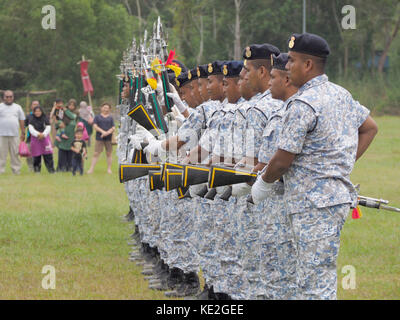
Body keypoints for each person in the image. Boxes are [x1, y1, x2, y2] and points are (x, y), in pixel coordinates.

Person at [251, 33, 378, 299]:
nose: (287, 66)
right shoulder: (340, 94)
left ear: (308, 65)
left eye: (293, 61)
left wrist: (263, 182)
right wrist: (338, 165)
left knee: (314, 284)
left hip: (312, 204)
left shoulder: (303, 103)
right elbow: (369, 128)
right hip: (329, 200)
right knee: (313, 277)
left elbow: (283, 159)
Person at [0, 90, 26, 175]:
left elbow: (21, 120)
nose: (9, 98)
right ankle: (1, 171)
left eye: (10, 96)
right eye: (7, 97)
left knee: (15, 153)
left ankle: (16, 171)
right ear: (3, 97)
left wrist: (23, 132)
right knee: (1, 154)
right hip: (1, 135)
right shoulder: (0, 107)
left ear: (13, 97)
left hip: (14, 135)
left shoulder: (18, 107)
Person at [87, 102, 115, 174]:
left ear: (109, 109)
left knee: (109, 153)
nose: (106, 109)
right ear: (101, 108)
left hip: (108, 138)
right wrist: (103, 132)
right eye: (104, 107)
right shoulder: (97, 117)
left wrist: (107, 133)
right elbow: (95, 126)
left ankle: (109, 169)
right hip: (99, 138)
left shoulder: (110, 118)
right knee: (96, 153)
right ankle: (91, 169)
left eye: (107, 108)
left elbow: (113, 127)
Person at [27, 105, 55, 173]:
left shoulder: (45, 118)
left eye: (39, 111)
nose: (37, 113)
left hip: (45, 139)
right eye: (36, 111)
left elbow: (48, 127)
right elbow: (31, 129)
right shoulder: (31, 119)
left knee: (48, 156)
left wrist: (43, 134)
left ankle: (51, 171)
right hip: (35, 140)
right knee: (36, 156)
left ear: (42, 112)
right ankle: (37, 171)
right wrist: (38, 134)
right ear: (34, 112)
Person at [56, 99, 78, 171]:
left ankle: (70, 167)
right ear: (67, 105)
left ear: (75, 106)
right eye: (70, 105)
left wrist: (66, 110)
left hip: (71, 135)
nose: (71, 106)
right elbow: (58, 120)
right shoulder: (61, 112)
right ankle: (61, 167)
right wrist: (60, 124)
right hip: (63, 134)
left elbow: (73, 117)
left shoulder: (76, 113)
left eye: (73, 105)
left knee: (70, 151)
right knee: (62, 151)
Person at [25, 100, 40, 171]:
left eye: (37, 104)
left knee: (37, 154)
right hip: (30, 138)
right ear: (31, 106)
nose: (35, 106)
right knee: (29, 154)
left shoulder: (42, 115)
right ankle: (30, 167)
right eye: (34, 104)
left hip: (39, 138)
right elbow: (24, 125)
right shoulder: (28, 116)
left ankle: (37, 167)